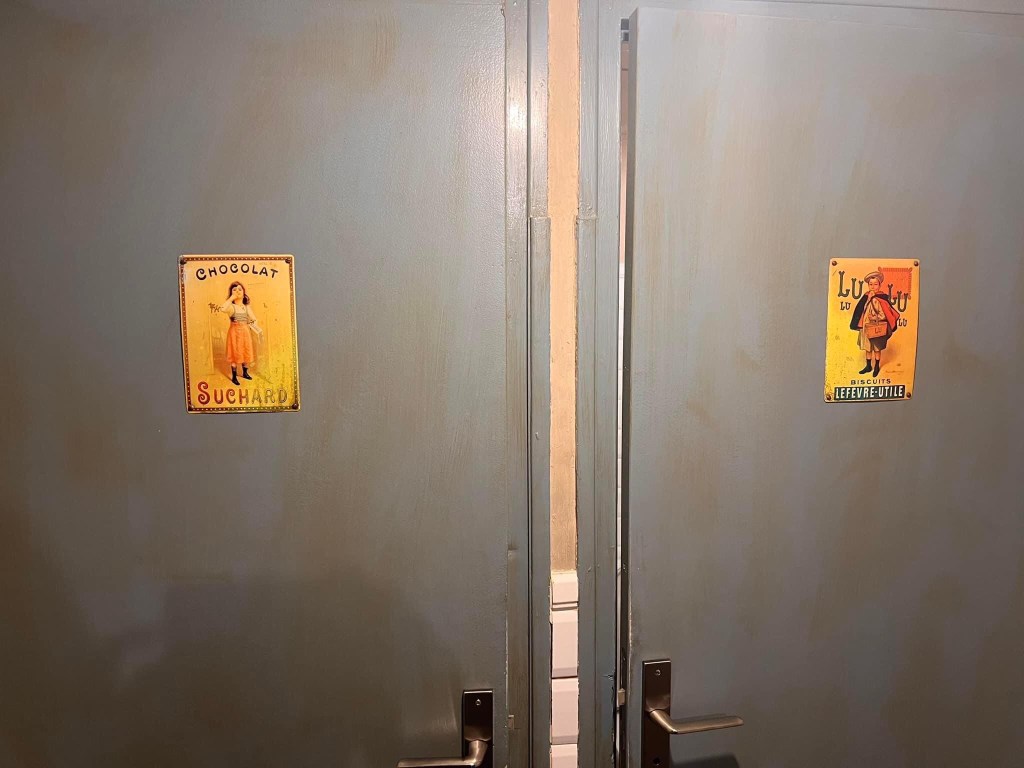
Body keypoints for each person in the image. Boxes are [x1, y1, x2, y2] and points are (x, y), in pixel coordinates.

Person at [849, 270, 900, 378]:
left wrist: (875, 317)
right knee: (868, 348)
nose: (873, 287)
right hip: (866, 327)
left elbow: (884, 314)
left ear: (879, 285)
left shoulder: (881, 298)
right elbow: (860, 310)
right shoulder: (866, 296)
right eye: (870, 284)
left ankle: (876, 366)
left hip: (876, 328)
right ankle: (868, 366)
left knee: (877, 348)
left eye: (875, 284)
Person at [209, 282, 262, 385]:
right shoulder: (231, 307)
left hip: (245, 333)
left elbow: (254, 319)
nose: (237, 291)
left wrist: (253, 324)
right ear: (231, 293)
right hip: (234, 333)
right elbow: (223, 309)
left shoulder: (246, 307)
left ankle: (245, 373)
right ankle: (234, 376)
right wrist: (231, 298)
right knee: (235, 353)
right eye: (234, 290)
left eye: (240, 289)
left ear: (244, 292)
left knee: (245, 351)